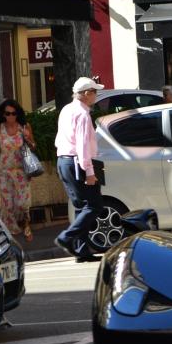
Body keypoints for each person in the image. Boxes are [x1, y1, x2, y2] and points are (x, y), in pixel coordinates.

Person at [54, 76, 104, 262]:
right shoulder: (82, 114)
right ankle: (67, 237)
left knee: (81, 206)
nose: (96, 96)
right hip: (77, 162)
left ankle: (81, 250)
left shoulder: (67, 109)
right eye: (94, 92)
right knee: (94, 205)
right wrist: (89, 172)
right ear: (86, 94)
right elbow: (82, 145)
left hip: (64, 161)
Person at [0, 99, 35, 243]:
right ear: (3, 114)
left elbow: (33, 146)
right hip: (4, 171)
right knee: (8, 204)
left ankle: (26, 224)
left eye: (14, 113)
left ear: (18, 114)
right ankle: (12, 233)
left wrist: (28, 137)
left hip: (21, 171)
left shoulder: (24, 126)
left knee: (23, 202)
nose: (11, 116)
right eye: (7, 113)